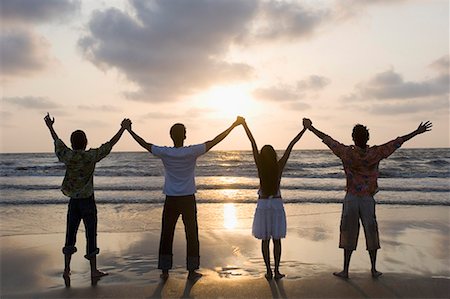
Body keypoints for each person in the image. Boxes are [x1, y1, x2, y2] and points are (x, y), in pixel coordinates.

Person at [302, 118, 432, 279]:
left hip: (351, 198)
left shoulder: (347, 152)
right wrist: (417, 132)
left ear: (353, 138)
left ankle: (346, 270)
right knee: (371, 231)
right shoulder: (375, 153)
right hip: (367, 199)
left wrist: (311, 128)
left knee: (348, 231)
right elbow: (397, 142)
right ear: (367, 138)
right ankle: (373, 269)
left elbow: (328, 140)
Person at [122, 117, 244, 280]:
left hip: (171, 199)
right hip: (187, 198)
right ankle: (192, 271)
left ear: (171, 136)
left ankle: (165, 271)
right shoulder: (191, 151)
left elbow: (145, 144)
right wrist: (233, 126)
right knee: (191, 234)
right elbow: (214, 141)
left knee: (167, 233)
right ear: (184, 136)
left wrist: (129, 130)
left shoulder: (166, 152)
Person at [44, 113, 128, 285]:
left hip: (74, 202)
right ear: (86, 142)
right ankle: (93, 270)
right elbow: (109, 145)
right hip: (88, 201)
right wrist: (123, 129)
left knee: (70, 233)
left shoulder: (68, 156)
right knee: (91, 234)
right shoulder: (90, 157)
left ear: (72, 143)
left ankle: (67, 269)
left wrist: (50, 127)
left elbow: (57, 142)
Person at [241, 118, 307, 280]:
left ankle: (269, 271)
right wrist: (304, 129)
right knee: (276, 239)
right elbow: (291, 145)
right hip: (276, 204)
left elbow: (252, 142)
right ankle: (276, 270)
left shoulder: (260, 166)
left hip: (263, 204)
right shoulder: (279, 166)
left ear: (262, 156)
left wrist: (244, 125)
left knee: (265, 240)